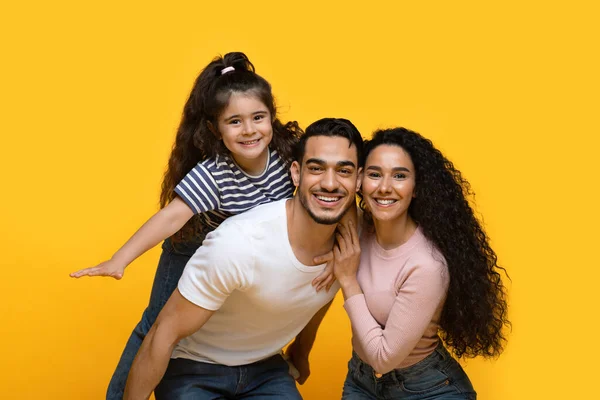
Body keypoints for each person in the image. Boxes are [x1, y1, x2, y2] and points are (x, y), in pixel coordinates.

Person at [70, 52, 334, 399]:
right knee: (156, 326)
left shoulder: (287, 156)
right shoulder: (215, 173)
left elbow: (329, 191)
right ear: (215, 128)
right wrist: (120, 259)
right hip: (194, 243)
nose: (250, 130)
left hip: (241, 249)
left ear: (272, 118)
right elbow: (171, 217)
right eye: (234, 122)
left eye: (258, 117)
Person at [122, 118, 364, 400]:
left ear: (359, 179)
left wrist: (301, 351)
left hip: (265, 370)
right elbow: (161, 335)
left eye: (343, 171)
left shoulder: (354, 240)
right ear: (296, 174)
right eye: (316, 168)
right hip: (194, 368)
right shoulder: (240, 244)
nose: (330, 183)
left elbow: (320, 292)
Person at [330, 127, 510, 399]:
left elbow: (382, 358)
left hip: (429, 389)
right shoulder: (357, 227)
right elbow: (320, 187)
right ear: (360, 180)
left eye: (399, 176)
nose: (384, 187)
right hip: (361, 380)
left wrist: (347, 280)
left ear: (416, 189)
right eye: (374, 174)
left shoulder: (426, 265)